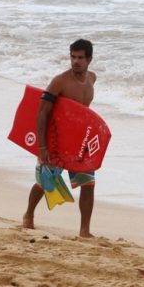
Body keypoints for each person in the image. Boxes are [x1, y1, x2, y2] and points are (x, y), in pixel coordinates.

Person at [22, 39, 97, 237]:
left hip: (80, 141)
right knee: (45, 182)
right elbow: (42, 113)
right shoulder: (60, 82)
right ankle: (28, 215)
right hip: (57, 141)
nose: (76, 61)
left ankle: (84, 231)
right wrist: (43, 147)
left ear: (89, 59)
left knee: (88, 183)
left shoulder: (92, 78)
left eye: (81, 57)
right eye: (73, 57)